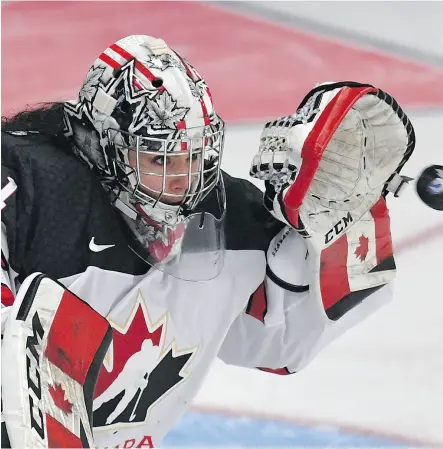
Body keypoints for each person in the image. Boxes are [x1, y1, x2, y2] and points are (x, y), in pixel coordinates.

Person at [1, 35, 415, 448]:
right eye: (160, 159)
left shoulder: (229, 218)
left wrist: (338, 211)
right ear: (100, 145)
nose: (183, 183)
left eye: (194, 156)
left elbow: (279, 344)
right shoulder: (31, 187)